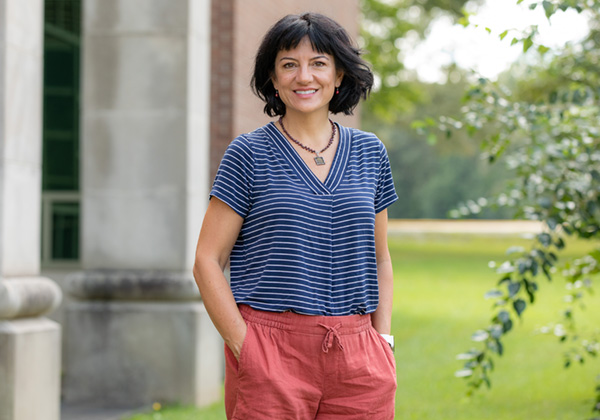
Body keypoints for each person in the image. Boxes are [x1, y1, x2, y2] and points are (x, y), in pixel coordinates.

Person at [193, 12, 398, 420]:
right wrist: (244, 345)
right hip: (271, 348)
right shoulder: (248, 154)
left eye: (318, 63)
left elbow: (380, 257)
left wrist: (382, 339)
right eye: (289, 64)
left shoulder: (370, 152)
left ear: (339, 75)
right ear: (273, 78)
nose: (304, 76)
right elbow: (207, 261)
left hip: (360, 354)